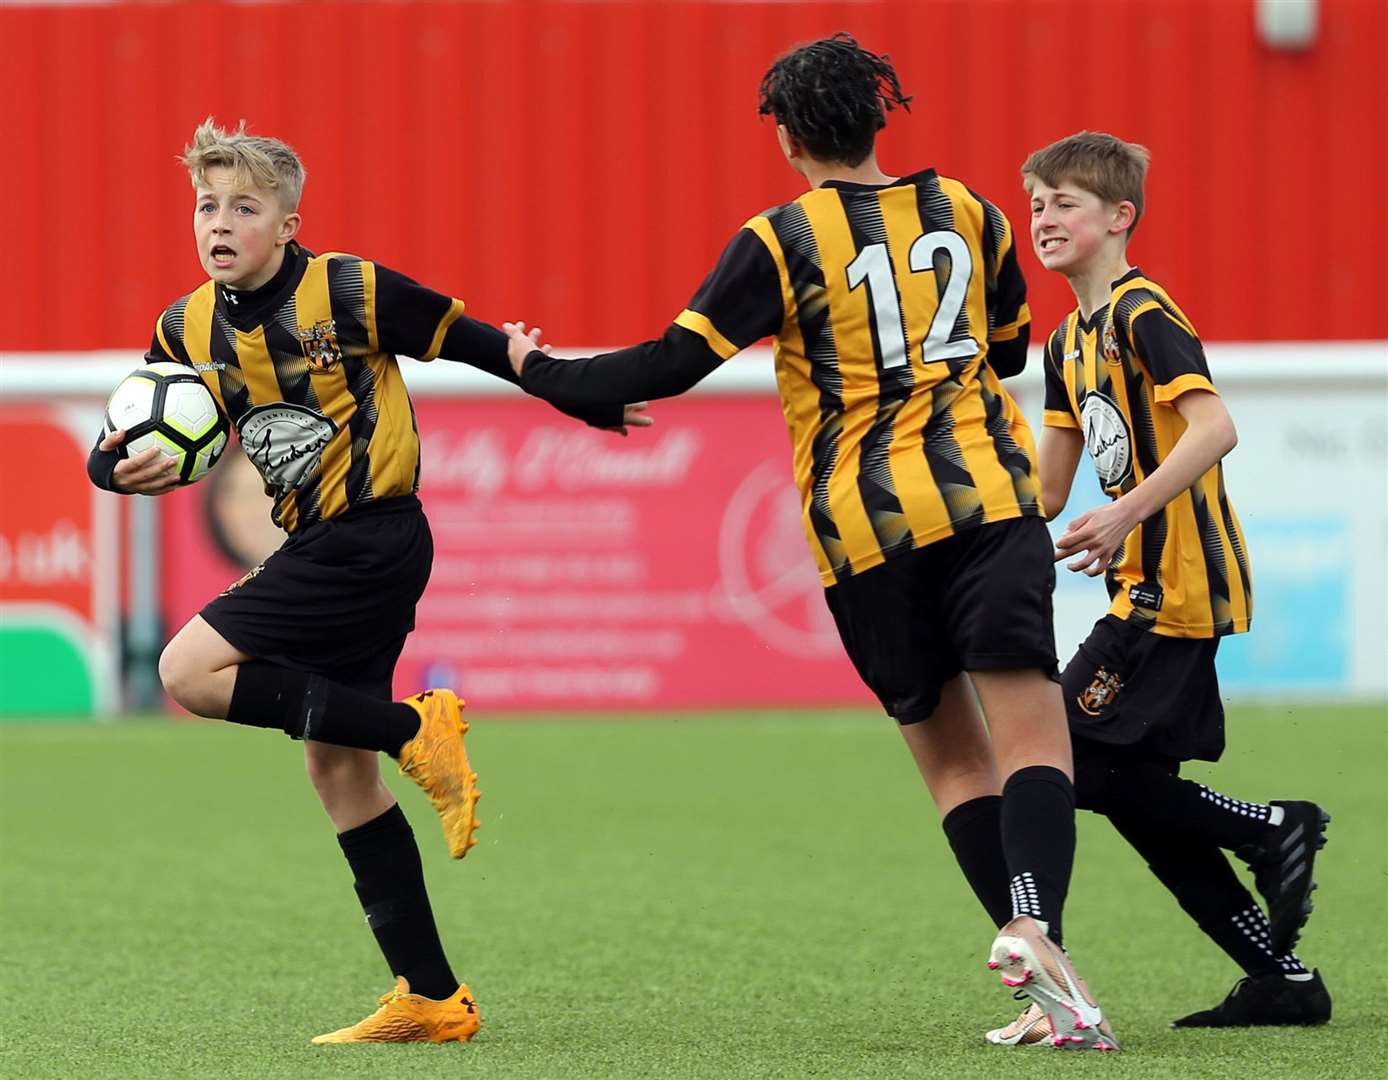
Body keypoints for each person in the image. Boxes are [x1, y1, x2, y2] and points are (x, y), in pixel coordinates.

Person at [501, 34, 1117, 1051]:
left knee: (954, 765)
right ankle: (1035, 931)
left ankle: (1050, 982)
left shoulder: (777, 239)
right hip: (985, 506)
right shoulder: (973, 214)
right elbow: (1009, 348)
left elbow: (664, 364)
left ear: (785, 135)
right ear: (881, 118)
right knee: (1030, 744)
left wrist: (540, 369)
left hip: (863, 535)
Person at [85, 118, 648, 1045]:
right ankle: (432, 997)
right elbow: (138, 435)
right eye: (205, 205)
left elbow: (473, 341)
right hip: (321, 542)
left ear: (289, 222)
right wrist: (114, 470)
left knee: (187, 674)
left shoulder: (347, 288)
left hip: (374, 535)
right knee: (336, 770)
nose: (219, 223)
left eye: (244, 207)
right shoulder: (181, 327)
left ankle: (413, 728)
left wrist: (571, 387)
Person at [989, 130, 1329, 1042]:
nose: (1043, 218)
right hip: (1136, 589)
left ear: (1118, 217)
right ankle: (1281, 975)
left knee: (1063, 758)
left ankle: (1270, 825)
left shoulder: (1144, 311)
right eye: (1035, 204)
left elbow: (1214, 428)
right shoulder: (1065, 342)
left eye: (1064, 202)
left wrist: (1130, 510)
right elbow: (1050, 491)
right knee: (1143, 806)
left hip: (1176, 588)